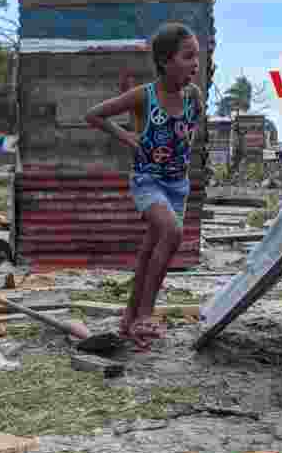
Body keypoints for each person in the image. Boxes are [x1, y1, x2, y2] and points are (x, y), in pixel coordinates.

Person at [85, 22, 202, 350]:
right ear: (165, 62)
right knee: (173, 233)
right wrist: (129, 137)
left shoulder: (194, 97)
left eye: (197, 56)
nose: (195, 63)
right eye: (187, 56)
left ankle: (128, 321)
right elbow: (94, 115)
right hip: (148, 182)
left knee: (151, 250)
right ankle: (146, 315)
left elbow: (188, 131)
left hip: (177, 185)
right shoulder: (145, 96)